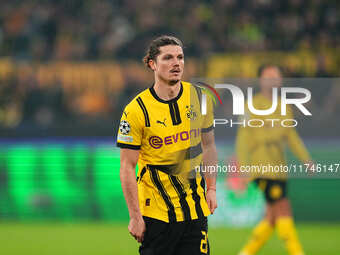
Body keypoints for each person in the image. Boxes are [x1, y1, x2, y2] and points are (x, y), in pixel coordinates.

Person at [117, 35, 218, 255]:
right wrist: (135, 217)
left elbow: (209, 146)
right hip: (157, 216)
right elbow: (126, 167)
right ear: (152, 64)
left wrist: (211, 188)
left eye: (180, 57)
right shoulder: (136, 110)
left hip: (195, 211)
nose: (176, 63)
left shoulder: (201, 98)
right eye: (168, 58)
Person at [237, 64, 313, 255]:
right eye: (268, 76)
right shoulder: (251, 105)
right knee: (283, 209)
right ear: (260, 80)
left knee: (271, 217)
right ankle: (297, 252)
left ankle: (246, 252)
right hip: (262, 168)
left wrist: (306, 159)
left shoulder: (284, 106)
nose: (272, 80)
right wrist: (243, 168)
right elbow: (243, 139)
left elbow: (291, 137)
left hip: (280, 168)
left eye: (276, 76)